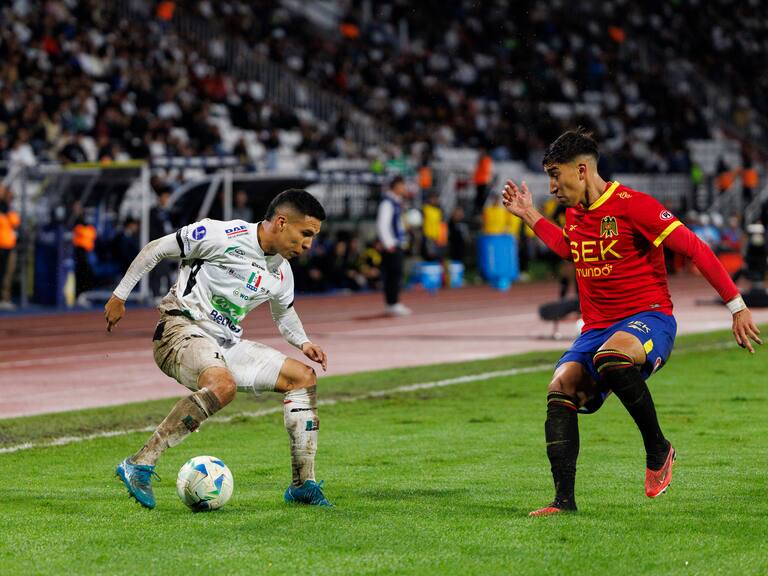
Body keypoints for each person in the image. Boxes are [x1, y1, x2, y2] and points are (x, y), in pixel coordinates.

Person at [502, 128, 762, 516]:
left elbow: (694, 247)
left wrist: (736, 305)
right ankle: (564, 502)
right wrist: (529, 215)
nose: (552, 185)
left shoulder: (633, 205)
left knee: (612, 357)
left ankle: (659, 449)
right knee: (560, 391)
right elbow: (571, 250)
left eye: (556, 174)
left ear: (583, 170)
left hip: (649, 318)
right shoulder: (574, 214)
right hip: (596, 328)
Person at [104, 189, 332, 509]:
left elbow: (284, 312)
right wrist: (119, 295)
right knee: (222, 386)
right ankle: (140, 463)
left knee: (303, 378)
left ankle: (303, 484)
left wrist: (304, 342)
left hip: (226, 343)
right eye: (305, 234)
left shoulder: (281, 270)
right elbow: (156, 249)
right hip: (180, 328)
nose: (309, 244)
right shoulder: (220, 234)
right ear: (282, 223)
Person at [377, 176, 411, 316]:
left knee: (396, 274)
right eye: (402, 185)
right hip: (391, 245)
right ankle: (392, 303)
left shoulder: (396, 202)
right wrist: (388, 243)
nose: (404, 189)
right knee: (393, 275)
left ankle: (393, 302)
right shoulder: (387, 203)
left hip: (397, 243)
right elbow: (382, 224)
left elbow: (397, 223)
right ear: (396, 186)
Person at [0, 184, 20, 309]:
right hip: (1, 245)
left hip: (9, 246)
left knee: (8, 274)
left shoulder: (9, 210)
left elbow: (16, 222)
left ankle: (4, 298)